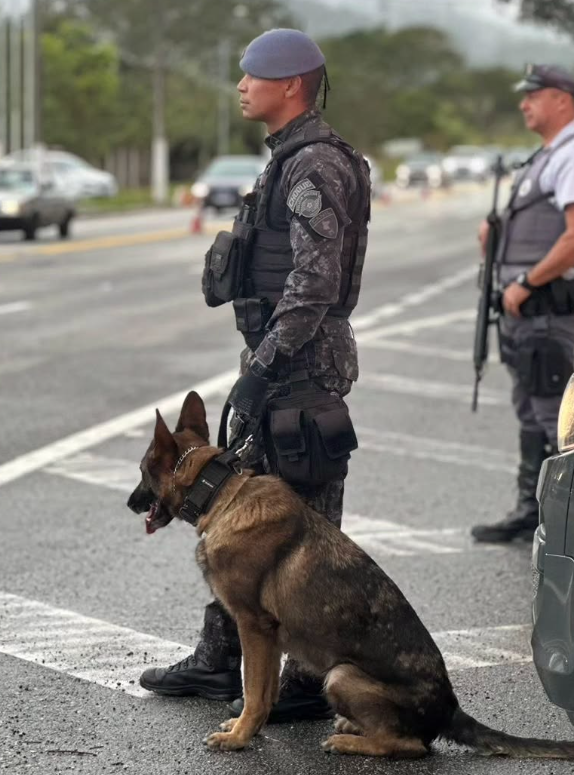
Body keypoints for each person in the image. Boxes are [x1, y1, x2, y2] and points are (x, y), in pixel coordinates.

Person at [139, 28, 371, 723]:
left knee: (305, 530)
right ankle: (220, 658)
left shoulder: (314, 167)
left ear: (291, 83)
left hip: (299, 370)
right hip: (279, 365)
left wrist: (261, 367)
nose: (239, 86)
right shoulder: (287, 160)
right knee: (238, 516)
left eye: (251, 75)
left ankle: (303, 676)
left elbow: (315, 281)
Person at [471, 64, 574, 543]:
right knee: (531, 410)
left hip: (545, 308)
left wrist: (526, 282)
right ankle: (532, 510)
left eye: (533, 95)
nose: (524, 103)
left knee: (553, 412)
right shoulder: (547, 157)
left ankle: (571, 521)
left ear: (562, 101)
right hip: (524, 314)